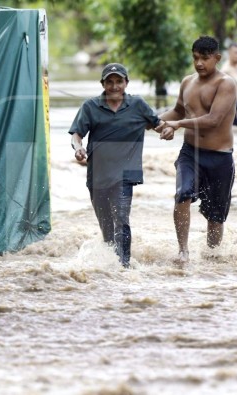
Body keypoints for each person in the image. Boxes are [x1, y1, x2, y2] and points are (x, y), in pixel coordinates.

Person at [69, 63, 166, 268]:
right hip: (98, 173)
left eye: (119, 81)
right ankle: (109, 267)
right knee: (107, 227)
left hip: (126, 172)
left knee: (121, 218)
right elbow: (77, 135)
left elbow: (157, 123)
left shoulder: (138, 105)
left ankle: (124, 267)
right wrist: (78, 148)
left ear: (126, 83)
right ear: (103, 84)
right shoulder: (90, 107)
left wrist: (167, 130)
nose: (114, 86)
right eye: (110, 82)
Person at [155, 36, 237, 265]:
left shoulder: (226, 84)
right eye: (195, 58)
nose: (199, 63)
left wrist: (178, 125)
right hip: (190, 153)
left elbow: (213, 120)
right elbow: (177, 112)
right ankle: (183, 251)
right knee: (182, 195)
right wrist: (152, 122)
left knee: (215, 217)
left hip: (219, 156)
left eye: (205, 58)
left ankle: (213, 258)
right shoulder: (187, 82)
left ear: (217, 58)